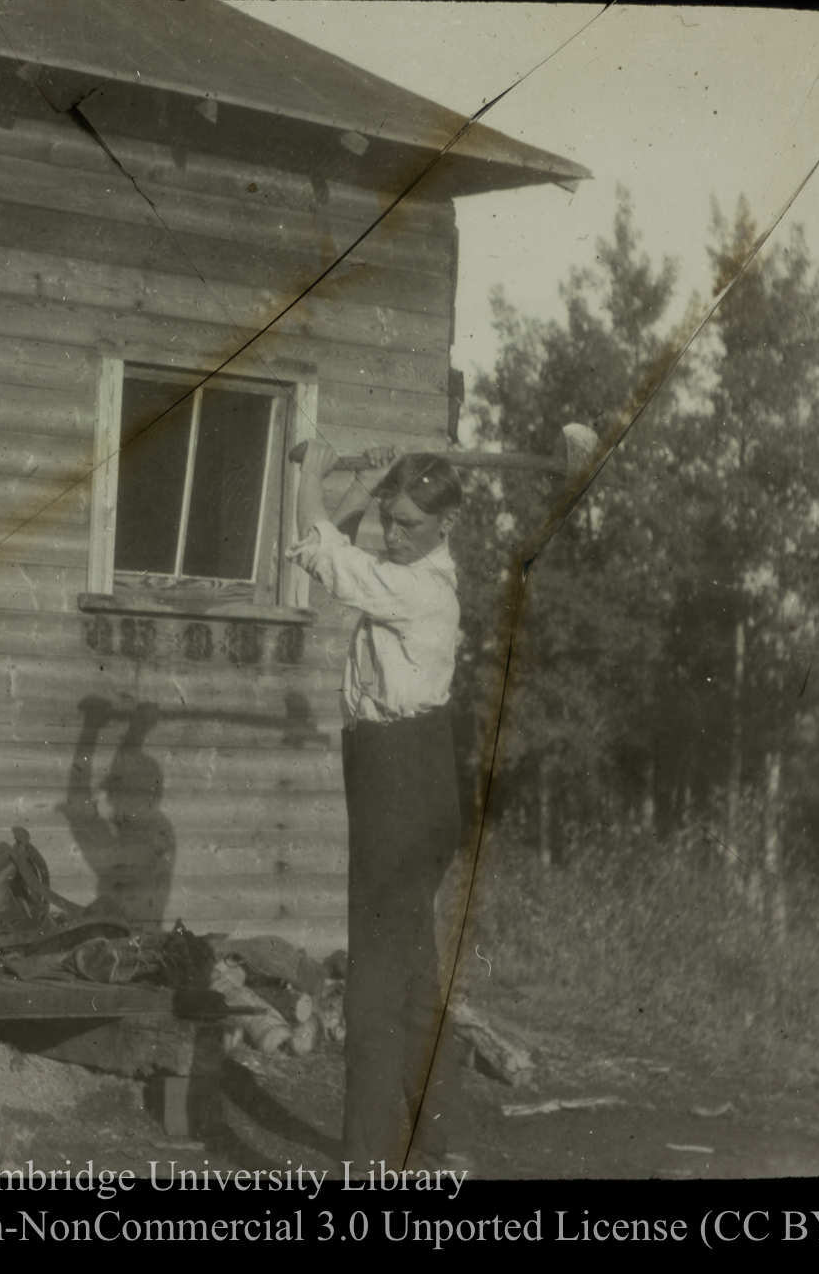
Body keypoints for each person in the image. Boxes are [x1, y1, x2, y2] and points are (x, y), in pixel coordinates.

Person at [290, 441, 467, 1172]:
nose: (392, 536)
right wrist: (358, 480)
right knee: (415, 967)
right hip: (405, 771)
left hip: (400, 780)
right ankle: (438, 1138)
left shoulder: (421, 589)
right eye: (389, 522)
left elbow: (316, 548)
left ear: (445, 524)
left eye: (409, 525)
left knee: (372, 972)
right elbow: (341, 537)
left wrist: (311, 469)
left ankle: (365, 1159)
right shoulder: (404, 572)